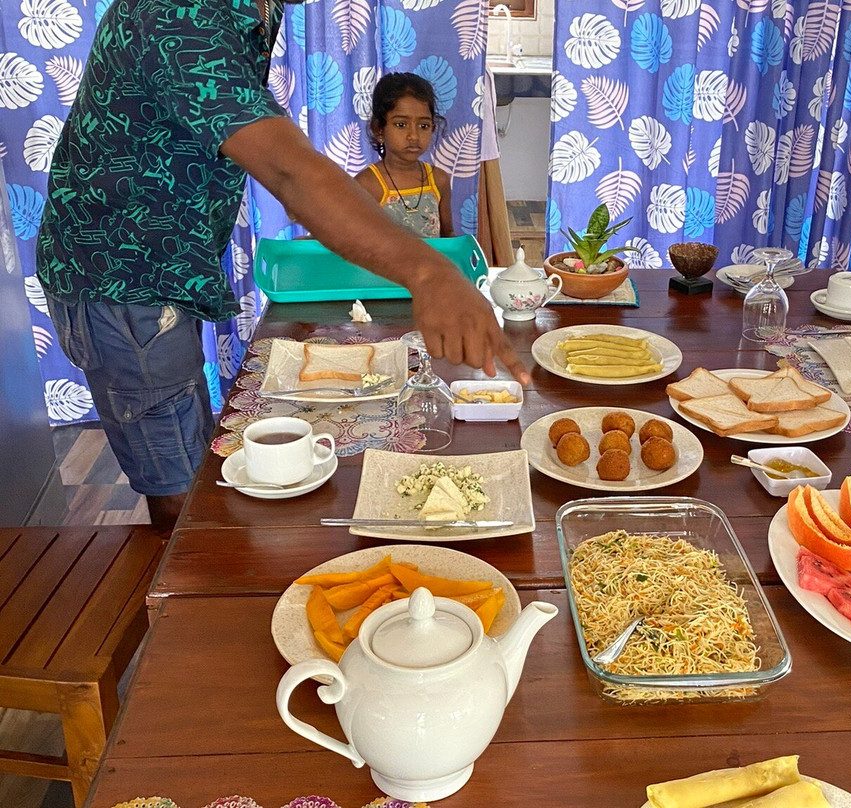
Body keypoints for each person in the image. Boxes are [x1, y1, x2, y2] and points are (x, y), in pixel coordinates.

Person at [35, 0, 526, 530]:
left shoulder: (252, 14)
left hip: (162, 280)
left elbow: (289, 174)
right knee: (179, 496)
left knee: (193, 464)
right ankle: (177, 605)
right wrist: (431, 274)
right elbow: (293, 178)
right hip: (122, 281)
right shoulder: (178, 13)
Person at [355, 73, 454, 239]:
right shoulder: (367, 185)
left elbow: (448, 235)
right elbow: (351, 239)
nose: (414, 136)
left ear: (433, 127)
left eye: (423, 125)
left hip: (430, 265)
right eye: (401, 125)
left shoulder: (438, 180)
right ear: (379, 129)